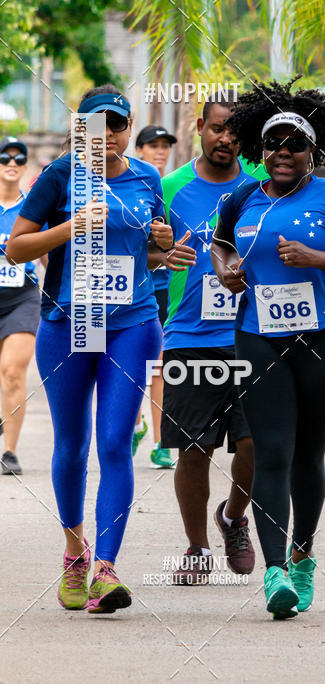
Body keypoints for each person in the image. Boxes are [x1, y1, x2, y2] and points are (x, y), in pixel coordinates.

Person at [211, 80, 325, 619]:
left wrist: (316, 258)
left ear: (312, 151)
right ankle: (276, 571)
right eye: (273, 143)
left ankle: (304, 556)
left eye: (295, 144)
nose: (283, 152)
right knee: (271, 451)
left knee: (309, 453)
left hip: (321, 336)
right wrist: (227, 271)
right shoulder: (242, 198)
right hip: (258, 336)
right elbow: (220, 244)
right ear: (259, 150)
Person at [6, 85, 175, 614]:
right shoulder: (59, 176)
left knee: (115, 443)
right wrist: (70, 227)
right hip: (69, 322)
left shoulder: (147, 178)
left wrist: (165, 247)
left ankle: (106, 568)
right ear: (81, 130)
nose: (107, 135)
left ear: (129, 127)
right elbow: (16, 247)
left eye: (117, 124)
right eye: (95, 125)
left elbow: (151, 249)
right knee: (73, 445)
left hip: (131, 321)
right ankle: (74, 551)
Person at [159, 95, 266, 583]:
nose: (226, 139)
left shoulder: (259, 185)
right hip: (189, 334)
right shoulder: (170, 188)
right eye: (219, 128)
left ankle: (233, 517)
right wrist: (161, 256)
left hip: (252, 332)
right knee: (193, 447)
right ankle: (197, 547)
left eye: (236, 133)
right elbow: (143, 252)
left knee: (254, 442)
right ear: (200, 126)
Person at [133, 124, 178, 469]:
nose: (160, 152)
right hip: (128, 288)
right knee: (130, 364)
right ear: (139, 150)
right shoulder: (133, 186)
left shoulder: (174, 187)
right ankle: (134, 424)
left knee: (159, 366)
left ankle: (162, 442)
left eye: (165, 146)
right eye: (153, 145)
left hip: (162, 288)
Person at [0, 137, 44, 476]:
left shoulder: (32, 207)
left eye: (19, 159)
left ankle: (10, 452)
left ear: (26, 167)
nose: (12, 163)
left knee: (13, 371)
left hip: (22, 297)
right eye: (5, 158)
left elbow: (47, 252)